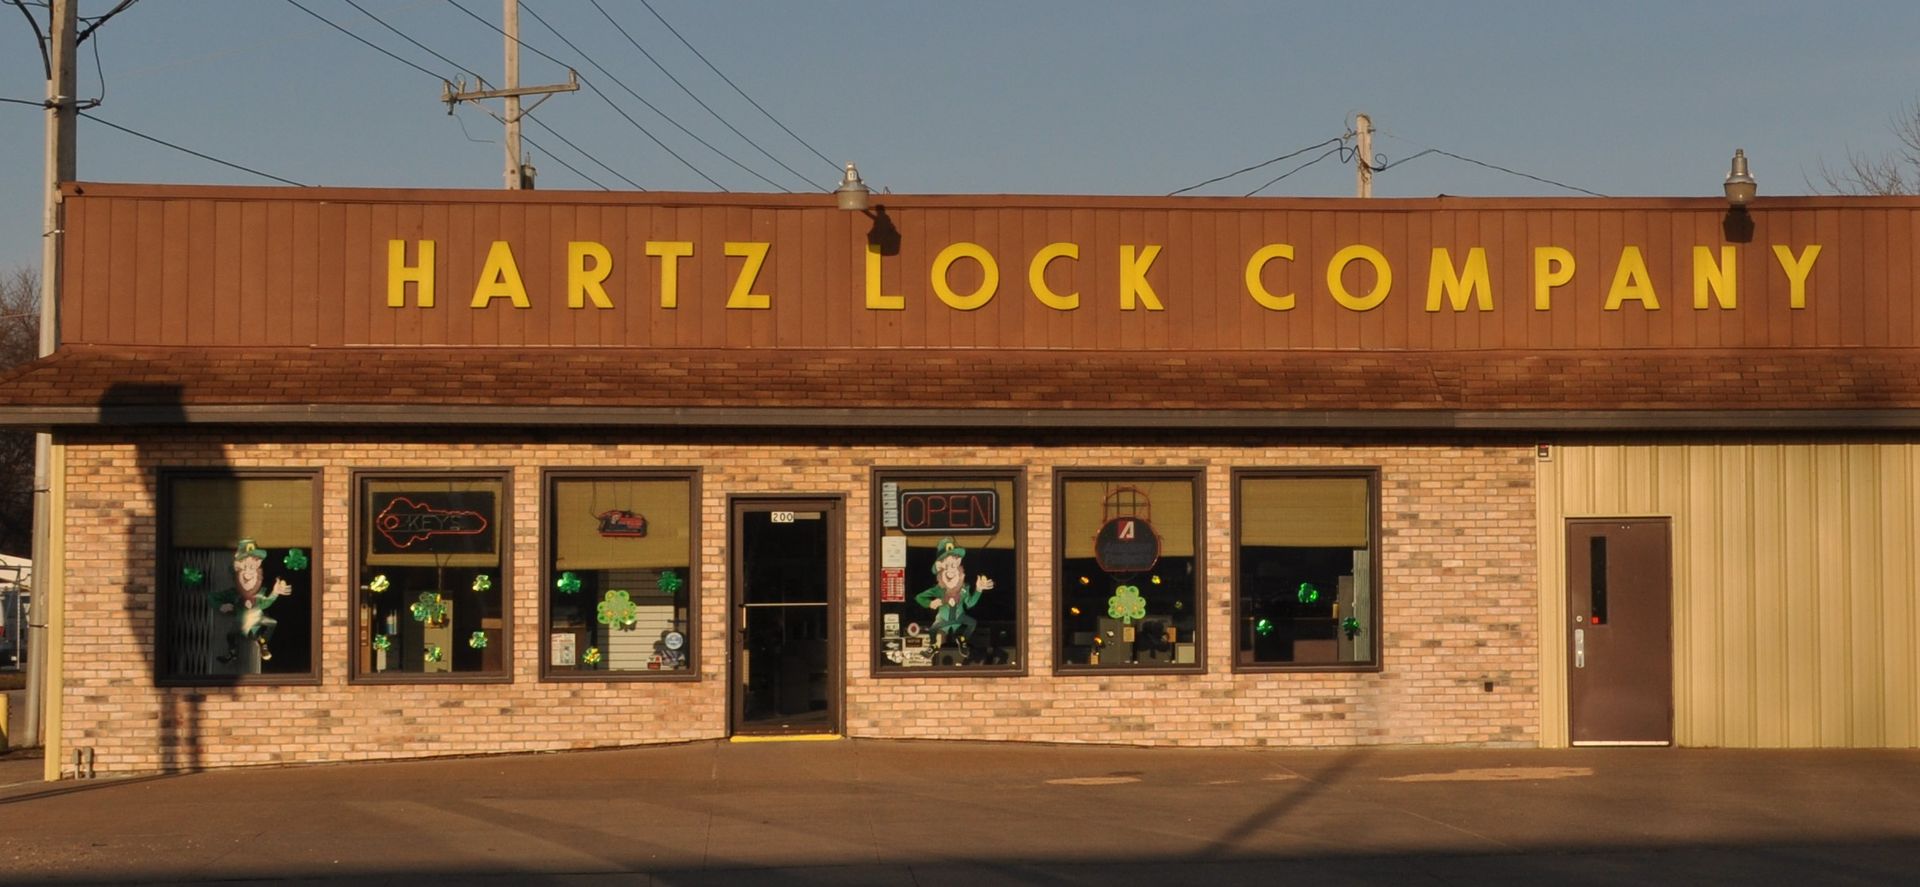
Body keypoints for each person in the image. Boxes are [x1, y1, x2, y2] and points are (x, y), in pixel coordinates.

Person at [212, 539, 292, 665]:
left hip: (255, 624)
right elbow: (213, 597)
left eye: (253, 566)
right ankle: (232, 653)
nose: (249, 571)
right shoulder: (234, 593)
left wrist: (274, 593)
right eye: (244, 566)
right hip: (240, 622)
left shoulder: (259, 592)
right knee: (231, 635)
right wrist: (221, 605)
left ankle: (263, 643)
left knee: (268, 625)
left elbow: (264, 603)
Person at [915, 536, 992, 651]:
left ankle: (962, 640)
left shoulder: (964, 588)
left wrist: (978, 590)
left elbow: (970, 603)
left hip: (958, 618)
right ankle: (934, 646)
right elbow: (919, 597)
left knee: (972, 623)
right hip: (943, 620)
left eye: (954, 565)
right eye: (946, 566)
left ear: (959, 564)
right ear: (939, 569)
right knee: (932, 630)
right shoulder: (938, 590)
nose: (951, 570)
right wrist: (930, 603)